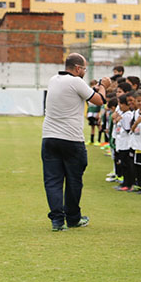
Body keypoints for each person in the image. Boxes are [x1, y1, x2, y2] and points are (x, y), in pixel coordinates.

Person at [41, 53, 108, 231]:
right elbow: (99, 101)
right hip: (71, 139)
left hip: (49, 136)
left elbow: (75, 93)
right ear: (78, 68)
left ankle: (57, 221)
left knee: (53, 181)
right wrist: (103, 87)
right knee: (73, 180)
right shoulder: (76, 82)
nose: (84, 72)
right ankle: (72, 218)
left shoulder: (53, 80)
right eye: (84, 68)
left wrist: (92, 88)